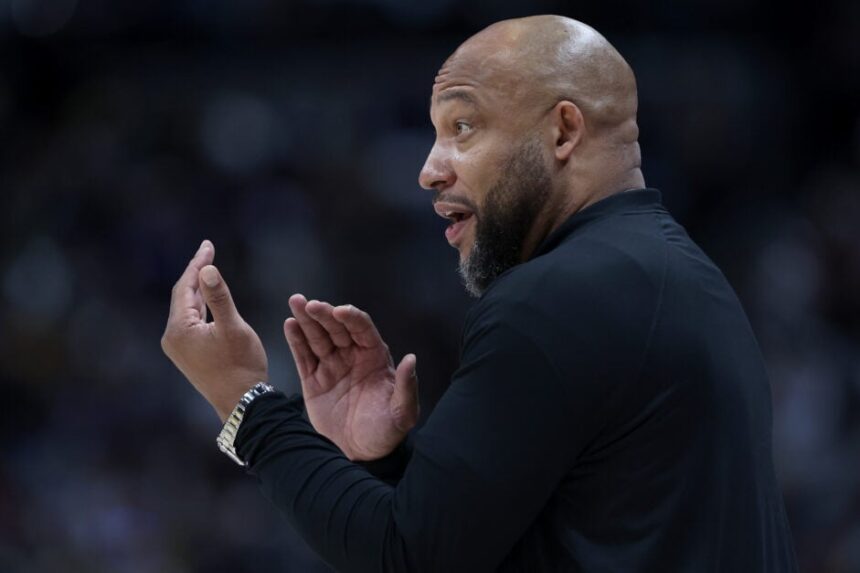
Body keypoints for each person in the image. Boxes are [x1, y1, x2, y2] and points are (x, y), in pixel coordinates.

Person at [161, 15, 798, 572]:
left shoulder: (555, 298)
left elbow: (406, 554)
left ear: (563, 132)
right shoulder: (683, 275)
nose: (429, 169)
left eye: (463, 127)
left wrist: (244, 400)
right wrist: (387, 466)